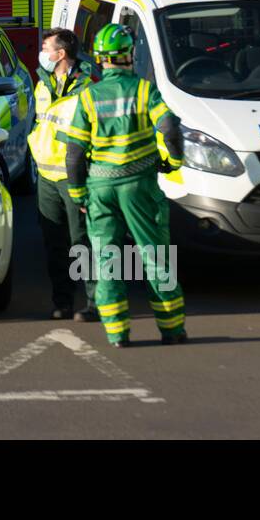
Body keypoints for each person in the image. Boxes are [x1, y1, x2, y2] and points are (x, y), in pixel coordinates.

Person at [60, 24, 185, 348]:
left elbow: (74, 155)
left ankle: (117, 334)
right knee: (155, 256)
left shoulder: (87, 97)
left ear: (100, 60)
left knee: (107, 259)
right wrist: (174, 162)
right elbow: (170, 128)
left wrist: (78, 195)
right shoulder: (144, 91)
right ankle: (171, 330)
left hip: (100, 188)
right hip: (139, 186)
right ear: (129, 55)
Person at [26, 28, 99, 321]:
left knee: (82, 240)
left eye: (46, 48)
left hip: (75, 177)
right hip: (46, 176)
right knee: (55, 243)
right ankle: (63, 302)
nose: (42, 53)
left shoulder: (89, 88)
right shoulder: (42, 85)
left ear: (61, 54)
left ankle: (94, 303)